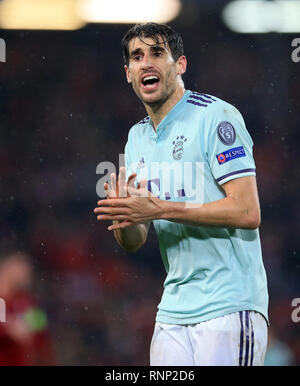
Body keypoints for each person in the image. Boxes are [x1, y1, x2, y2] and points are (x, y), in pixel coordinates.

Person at [94, 22, 269, 366]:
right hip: (173, 311)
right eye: (137, 56)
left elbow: (248, 212)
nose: (146, 63)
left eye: (157, 53)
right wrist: (125, 215)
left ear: (180, 64)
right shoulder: (136, 138)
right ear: (128, 73)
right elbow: (135, 239)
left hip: (228, 305)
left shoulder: (215, 116)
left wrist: (158, 207)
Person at [0, 249, 56, 365]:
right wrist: (9, 331)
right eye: (21, 270)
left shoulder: (28, 302)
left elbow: (41, 333)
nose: (26, 275)